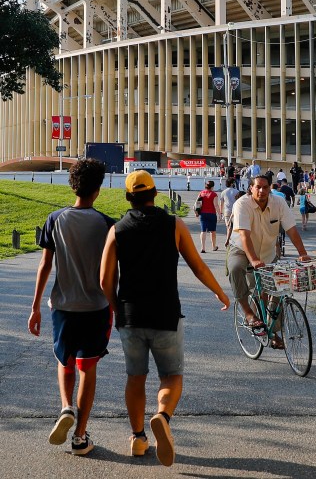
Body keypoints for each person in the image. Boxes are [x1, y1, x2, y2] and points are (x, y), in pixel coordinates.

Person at [100, 170, 229, 466]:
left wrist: (115, 306)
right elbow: (197, 266)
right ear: (156, 194)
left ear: (128, 197)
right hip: (165, 313)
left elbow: (104, 279)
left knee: (135, 377)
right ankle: (162, 415)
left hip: (131, 315)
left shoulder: (116, 230)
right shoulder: (174, 225)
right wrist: (220, 293)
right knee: (171, 375)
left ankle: (137, 438)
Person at [28, 158, 114, 456]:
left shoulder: (55, 219)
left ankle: (66, 407)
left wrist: (35, 306)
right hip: (96, 307)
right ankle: (79, 436)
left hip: (62, 306)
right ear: (99, 189)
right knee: (87, 368)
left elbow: (45, 264)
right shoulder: (106, 224)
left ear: (72, 184)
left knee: (64, 362)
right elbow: (114, 271)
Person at [226, 175, 311, 349]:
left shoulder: (278, 203)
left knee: (276, 290)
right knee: (235, 269)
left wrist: (303, 253)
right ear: (251, 188)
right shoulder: (242, 204)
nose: (262, 191)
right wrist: (254, 259)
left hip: (267, 253)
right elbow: (244, 235)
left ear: (270, 189)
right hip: (242, 249)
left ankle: (272, 331)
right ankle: (248, 313)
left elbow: (292, 230)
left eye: (265, 187)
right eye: (258, 187)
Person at [194, 180, 221, 252]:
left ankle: (203, 247)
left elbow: (196, 203)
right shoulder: (214, 194)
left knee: (203, 231)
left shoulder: (201, 193)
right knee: (212, 231)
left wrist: (196, 212)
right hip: (212, 214)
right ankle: (214, 246)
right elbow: (216, 205)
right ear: (212, 187)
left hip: (203, 214)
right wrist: (220, 214)